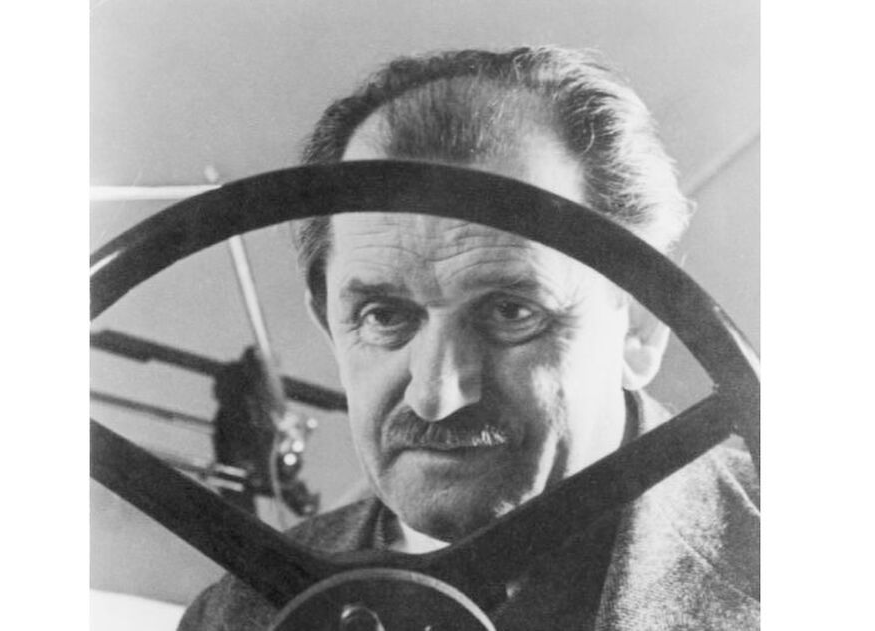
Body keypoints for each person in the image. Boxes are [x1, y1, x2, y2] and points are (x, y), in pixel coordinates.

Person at [179, 46, 759, 630]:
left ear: (638, 327)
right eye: (385, 316)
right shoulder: (232, 617)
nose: (437, 396)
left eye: (511, 312)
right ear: (331, 326)